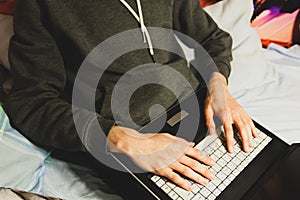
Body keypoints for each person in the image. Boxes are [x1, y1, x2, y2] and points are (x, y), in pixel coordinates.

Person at [3, 0, 257, 196]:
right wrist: (120, 139)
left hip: (196, 106)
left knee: (268, 170)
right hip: (129, 135)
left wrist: (218, 84)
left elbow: (213, 38)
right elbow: (31, 101)